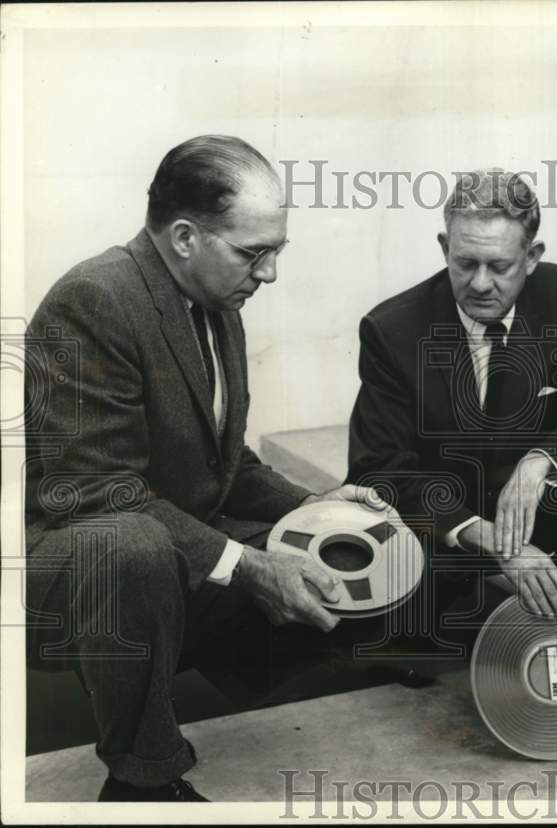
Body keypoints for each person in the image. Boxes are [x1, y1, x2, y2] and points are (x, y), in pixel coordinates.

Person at [23, 135, 385, 802]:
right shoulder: (93, 300)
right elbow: (101, 494)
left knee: (358, 545)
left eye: (276, 251)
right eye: (254, 253)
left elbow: (228, 468)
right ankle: (140, 781)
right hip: (83, 558)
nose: (269, 273)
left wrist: (323, 507)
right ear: (185, 236)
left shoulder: (217, 305)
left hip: (170, 537)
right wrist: (250, 568)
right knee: (130, 546)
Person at [347, 169, 557, 626]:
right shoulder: (391, 331)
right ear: (445, 248)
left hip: (528, 505)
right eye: (465, 263)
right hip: (448, 520)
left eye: (499, 266)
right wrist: (483, 535)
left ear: (532, 257)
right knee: (405, 638)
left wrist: (542, 460)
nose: (480, 284)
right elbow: (377, 471)